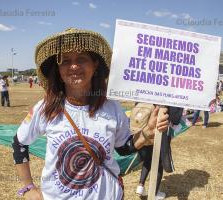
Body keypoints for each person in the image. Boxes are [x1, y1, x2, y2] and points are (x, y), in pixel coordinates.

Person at [12, 28, 169, 200]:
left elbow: (124, 147)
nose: (74, 66)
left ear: (95, 65)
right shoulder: (46, 108)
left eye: (81, 59)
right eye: (65, 61)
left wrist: (146, 134)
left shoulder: (113, 108)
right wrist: (28, 187)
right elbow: (19, 142)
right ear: (58, 69)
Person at [132, 104, 183, 199]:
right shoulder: (170, 95)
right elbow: (175, 119)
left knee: (148, 159)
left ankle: (140, 185)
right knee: (159, 162)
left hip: (144, 129)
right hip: (160, 130)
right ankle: (154, 193)